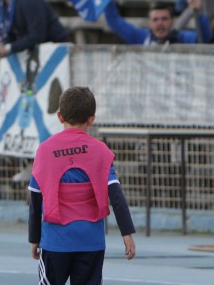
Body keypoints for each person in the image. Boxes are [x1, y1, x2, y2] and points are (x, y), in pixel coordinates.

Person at [28, 86, 135, 285]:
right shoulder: (100, 151)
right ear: (91, 118)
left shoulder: (45, 151)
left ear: (60, 116)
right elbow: (116, 195)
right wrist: (126, 233)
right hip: (90, 242)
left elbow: (35, 197)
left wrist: (34, 238)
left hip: (55, 241)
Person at [104, 0, 212, 45]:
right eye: (155, 20)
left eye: (164, 19)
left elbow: (203, 38)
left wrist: (199, 13)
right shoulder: (141, 37)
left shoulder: (183, 38)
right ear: (149, 23)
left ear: (172, 21)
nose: (160, 23)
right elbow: (114, 21)